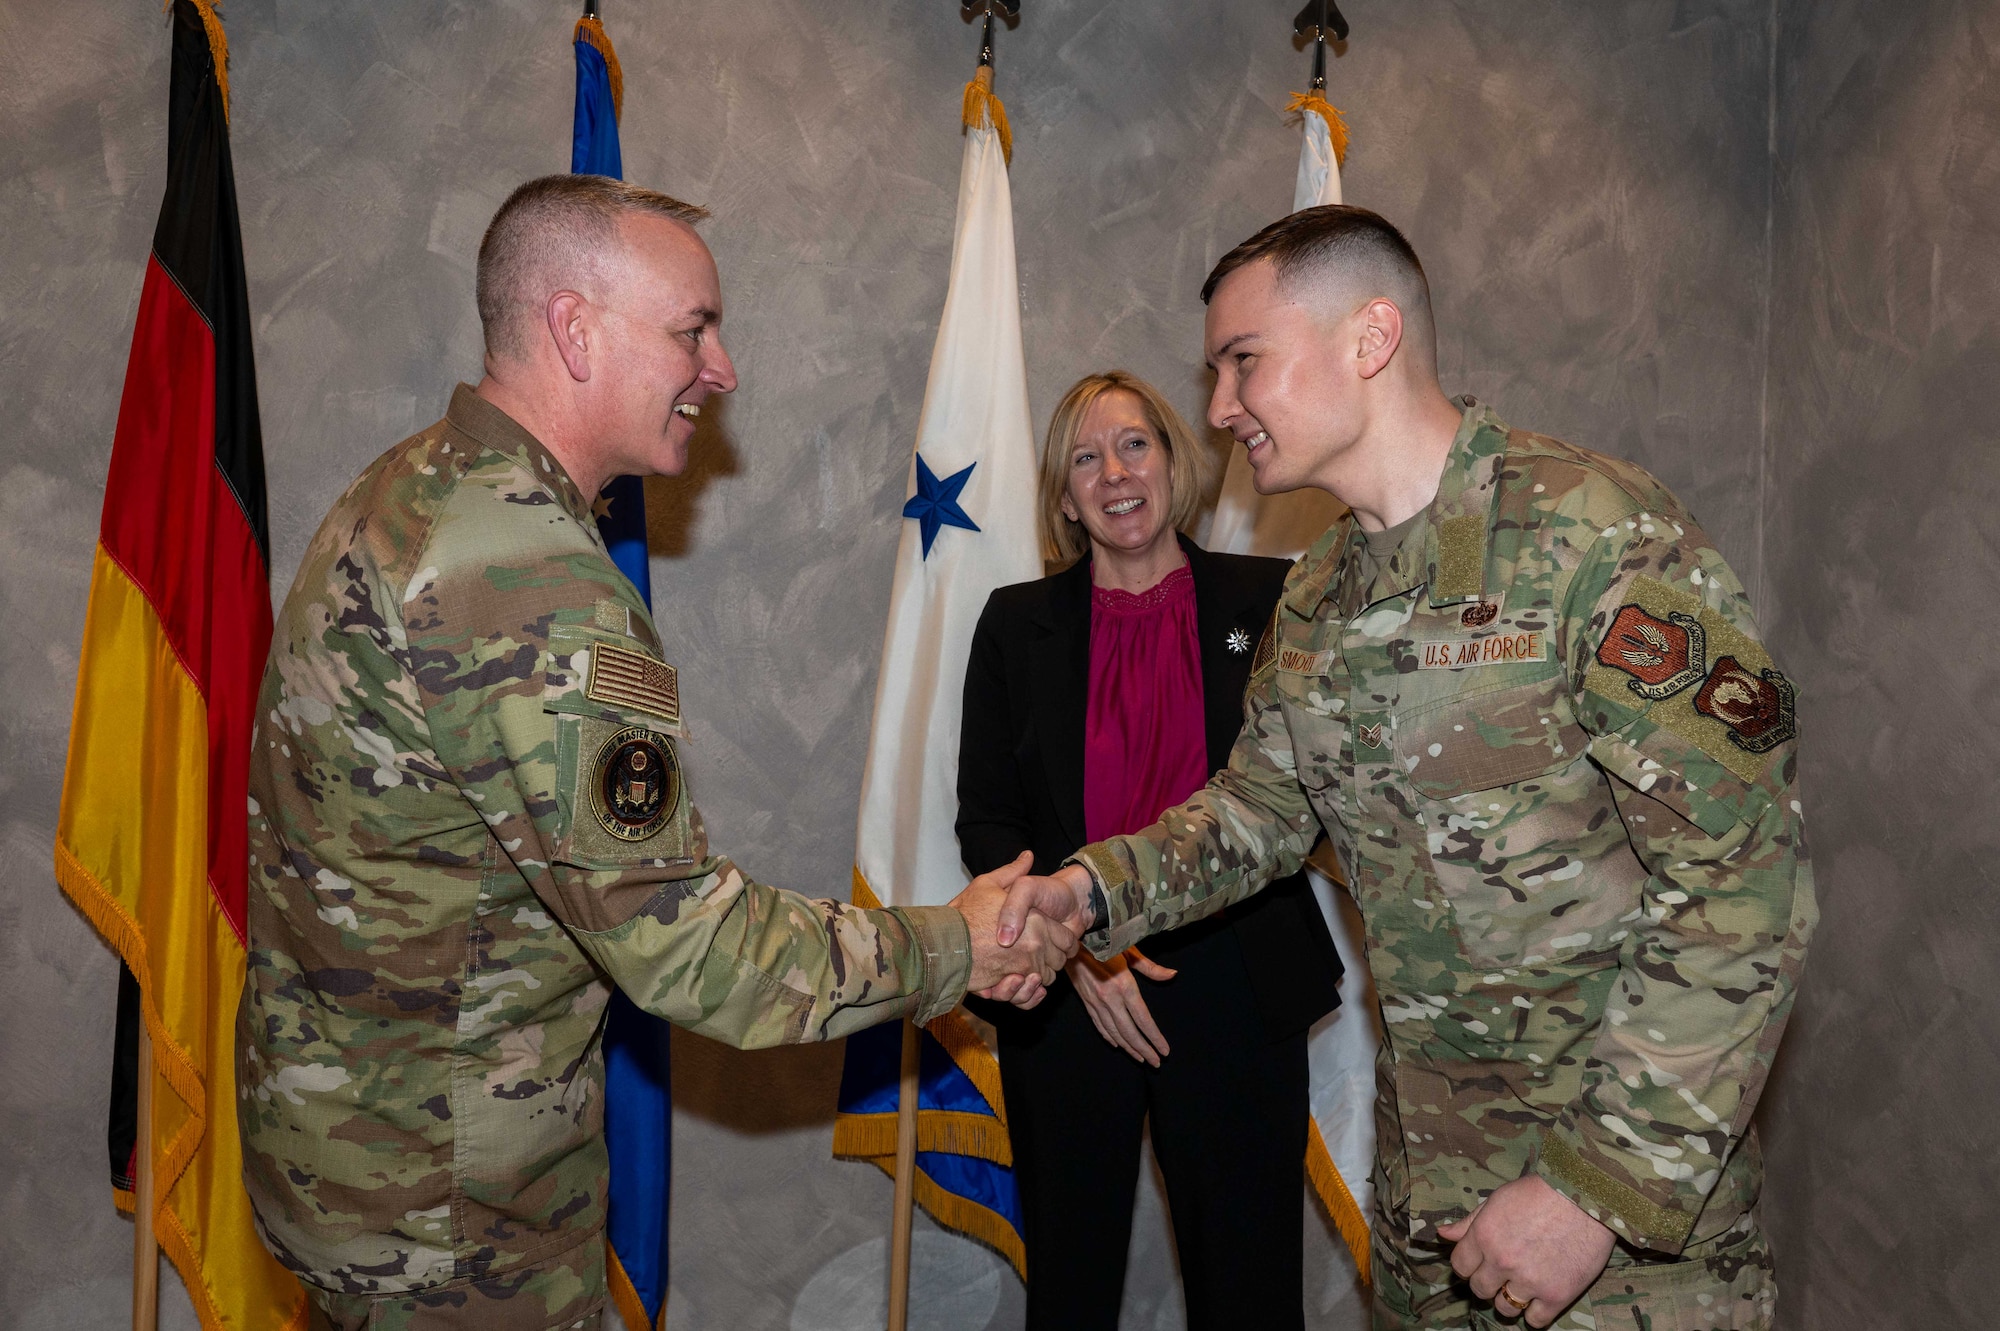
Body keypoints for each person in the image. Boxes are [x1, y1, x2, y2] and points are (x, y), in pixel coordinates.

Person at [234, 174, 1078, 1331]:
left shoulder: (406, 491)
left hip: (349, 1165)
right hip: (455, 1221)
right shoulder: (527, 578)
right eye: (693, 329)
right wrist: (956, 944)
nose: (722, 370)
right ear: (575, 331)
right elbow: (689, 948)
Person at [1004, 206, 1816, 1330]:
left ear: (1367, 338)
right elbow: (1254, 814)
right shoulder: (1318, 589)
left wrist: (1591, 1193)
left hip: (1620, 1247)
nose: (1217, 408)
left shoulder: (1596, 537)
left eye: (1242, 362)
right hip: (1430, 1223)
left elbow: (1743, 888)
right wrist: (1087, 890)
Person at [957, 372, 1343, 1329]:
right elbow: (988, 820)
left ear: (1175, 460)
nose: (1114, 472)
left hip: (1238, 980)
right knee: (1072, 1287)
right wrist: (1085, 947)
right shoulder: (1014, 622)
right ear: (1061, 496)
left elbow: (1310, 796)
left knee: (1248, 1289)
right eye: (1084, 458)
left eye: (1134, 444)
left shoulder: (1280, 596)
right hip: (1066, 988)